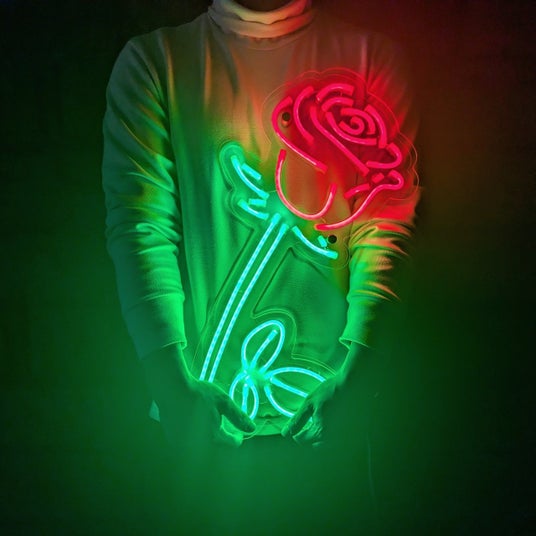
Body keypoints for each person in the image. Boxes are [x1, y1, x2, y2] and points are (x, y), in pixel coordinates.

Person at [102, 0, 419, 453]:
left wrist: (358, 377)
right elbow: (141, 225)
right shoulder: (156, 63)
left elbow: (385, 226)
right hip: (194, 419)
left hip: (337, 417)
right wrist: (172, 386)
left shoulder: (372, 59)